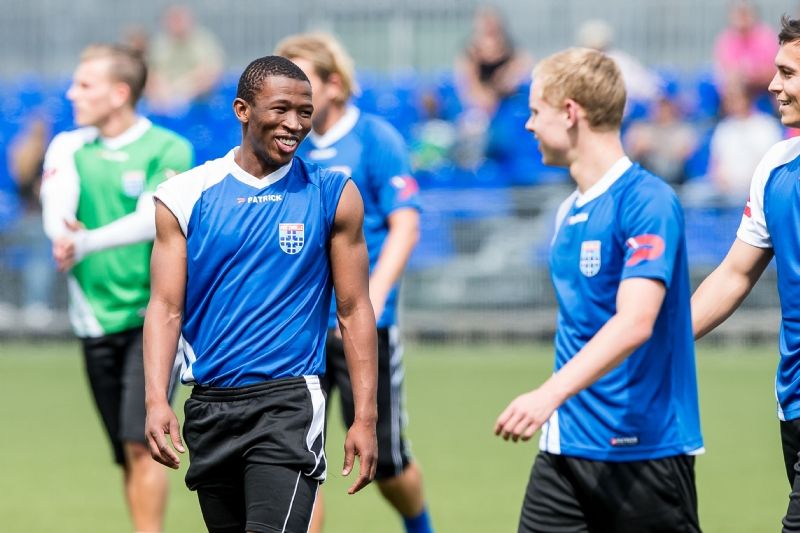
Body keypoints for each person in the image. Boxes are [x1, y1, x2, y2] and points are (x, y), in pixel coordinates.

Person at [143, 55, 378, 533]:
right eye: (281, 109)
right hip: (209, 406)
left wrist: (366, 417)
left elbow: (354, 309)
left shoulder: (333, 194)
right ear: (242, 110)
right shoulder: (183, 196)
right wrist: (155, 400)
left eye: (305, 112)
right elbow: (165, 308)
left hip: (288, 403)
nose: (295, 124)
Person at [494, 47, 703, 532]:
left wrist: (548, 394)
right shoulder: (567, 211)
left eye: (536, 111)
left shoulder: (647, 201)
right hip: (564, 450)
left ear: (570, 112)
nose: (528, 125)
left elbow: (635, 322)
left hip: (643, 450)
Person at [275, 33, 434, 533]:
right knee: (296, 463)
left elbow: (405, 224)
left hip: (362, 328)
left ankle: (421, 526)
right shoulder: (284, 147)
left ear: (335, 85)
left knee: (387, 464)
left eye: (303, 81)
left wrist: (375, 296)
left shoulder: (375, 138)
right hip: (297, 333)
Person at [39, 44, 194, 532]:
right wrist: (63, 235)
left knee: (141, 442)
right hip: (94, 318)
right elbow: (55, 209)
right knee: (127, 453)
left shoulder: (169, 148)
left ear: (120, 93)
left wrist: (84, 242)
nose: (72, 93)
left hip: (154, 317)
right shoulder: (68, 146)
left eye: (85, 84)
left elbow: (153, 216)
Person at [692, 15, 800, 532]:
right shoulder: (776, 165)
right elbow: (734, 274)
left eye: (788, 73)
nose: (773, 85)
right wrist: (660, 338)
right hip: (792, 403)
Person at [145, 4, 224, 113]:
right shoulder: (159, 44)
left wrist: (184, 91)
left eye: (180, 19)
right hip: (163, 101)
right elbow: (150, 73)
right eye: (173, 19)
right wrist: (159, 92)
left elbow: (211, 72)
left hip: (198, 102)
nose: (177, 24)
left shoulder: (203, 41)